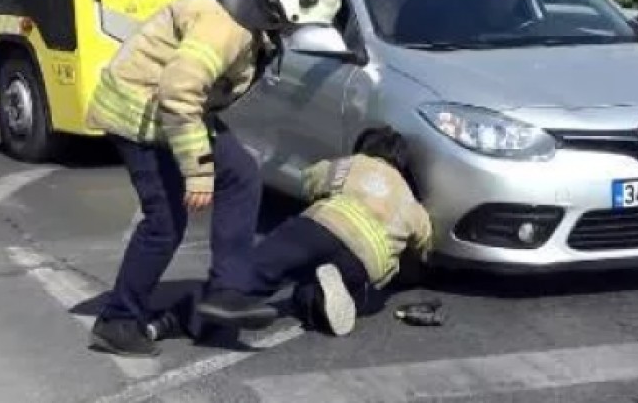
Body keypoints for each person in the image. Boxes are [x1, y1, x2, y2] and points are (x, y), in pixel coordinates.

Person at [86, 0, 344, 358]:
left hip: (172, 112)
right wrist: (199, 173)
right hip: (140, 115)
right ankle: (118, 320)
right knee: (164, 222)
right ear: (291, 6)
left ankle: (226, 291)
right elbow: (178, 93)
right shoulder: (224, 27)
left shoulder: (248, 16)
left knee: (241, 174)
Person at [151, 128, 433, 341]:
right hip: (366, 260)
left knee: (251, 271)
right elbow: (424, 243)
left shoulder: (354, 163)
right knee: (323, 292)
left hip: (324, 226)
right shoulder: (410, 202)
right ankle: (318, 297)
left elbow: (311, 179)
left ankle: (170, 322)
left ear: (366, 148)